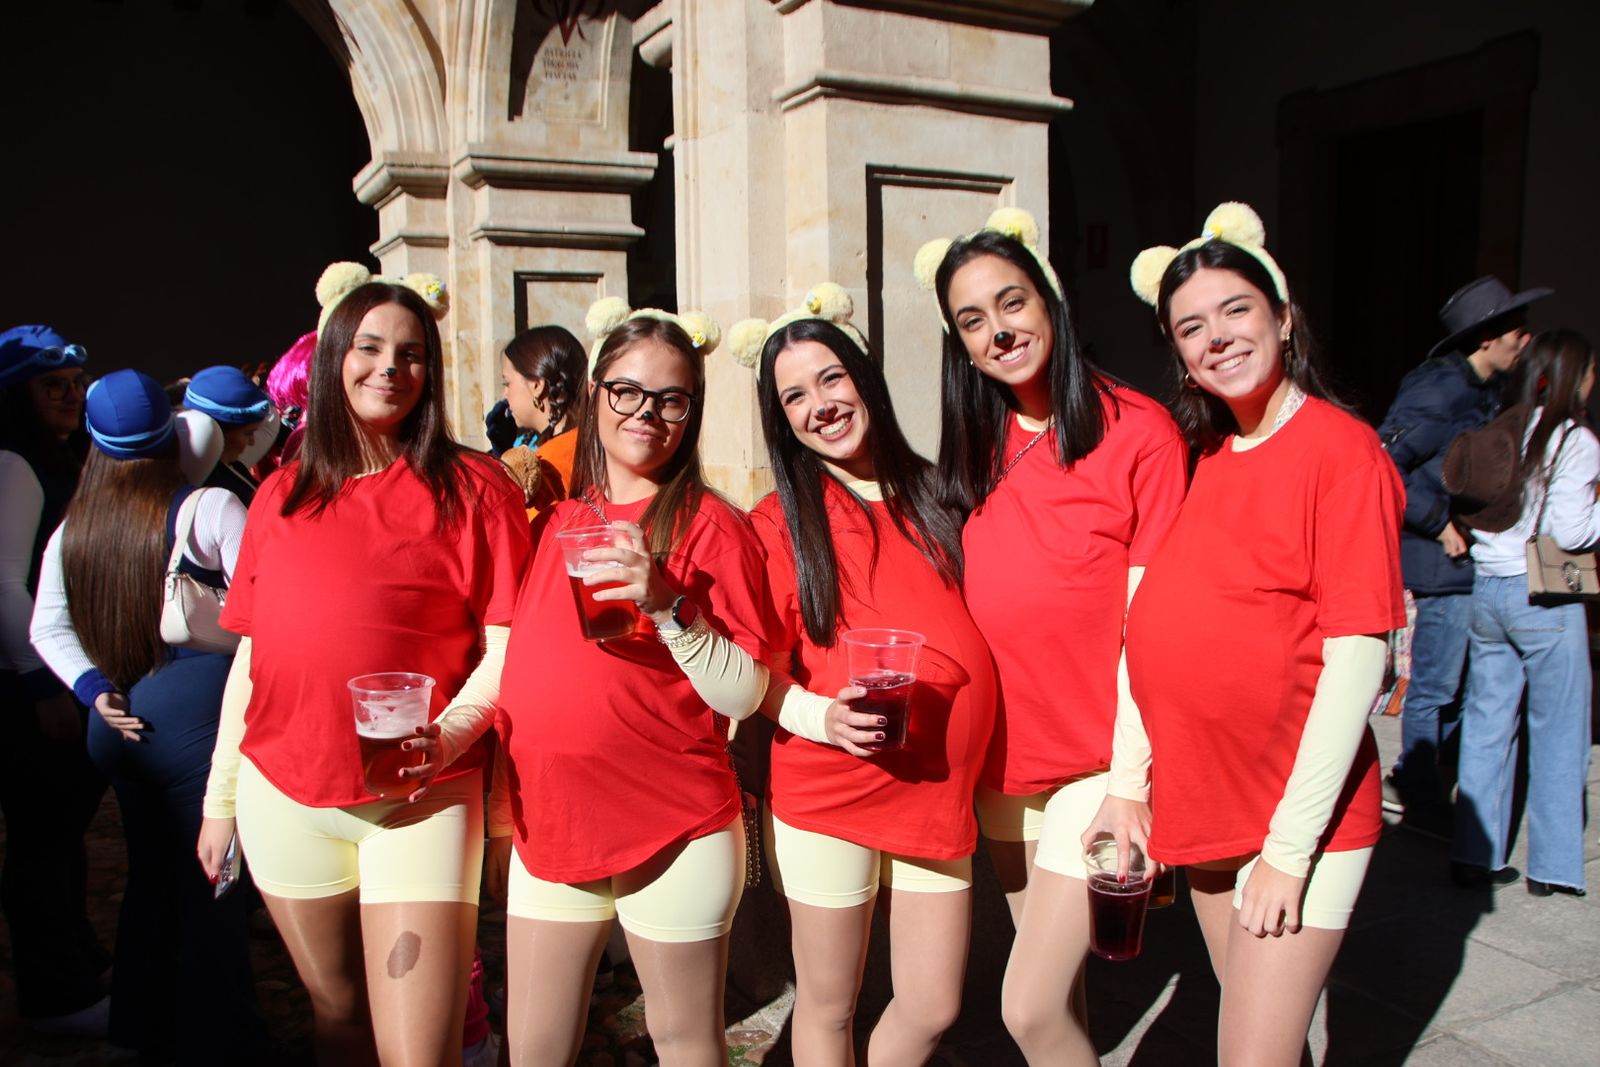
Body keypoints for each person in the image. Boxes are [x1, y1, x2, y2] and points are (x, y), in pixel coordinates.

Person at [196, 270, 531, 1067]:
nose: (390, 367)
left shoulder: (475, 487)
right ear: (334, 357)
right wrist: (221, 799)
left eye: (411, 353)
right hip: (284, 794)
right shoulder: (280, 494)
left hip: (418, 797)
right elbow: (252, 654)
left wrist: (445, 740)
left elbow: (509, 647)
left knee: (419, 1048)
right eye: (371, 346)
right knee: (339, 1018)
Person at [1119, 202, 1404, 1065]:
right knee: (1261, 1037)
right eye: (1190, 327)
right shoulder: (1207, 455)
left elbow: (1360, 657)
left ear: (1283, 316)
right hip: (1206, 806)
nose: (1217, 338)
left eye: (1236, 310)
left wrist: (1289, 851)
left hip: (1294, 820)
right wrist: (1133, 783)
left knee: (1249, 1053)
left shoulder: (1342, 452)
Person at [915, 209, 1187, 1065]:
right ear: (960, 346)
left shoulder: (1138, 430)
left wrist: (1134, 779)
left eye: (1012, 302)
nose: (999, 329)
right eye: (973, 320)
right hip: (1003, 762)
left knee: (1028, 1007)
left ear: (1051, 302)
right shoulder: (973, 442)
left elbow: (1159, 623)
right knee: (1058, 994)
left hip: (1098, 762)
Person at [488, 303, 769, 1067]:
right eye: (627, 391)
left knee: (684, 1042)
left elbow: (743, 695)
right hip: (553, 825)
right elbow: (514, 659)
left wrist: (666, 603)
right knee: (535, 1048)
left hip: (671, 828)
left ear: (692, 411)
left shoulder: (716, 526)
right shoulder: (560, 522)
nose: (646, 413)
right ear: (595, 395)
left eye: (670, 398)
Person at [730, 287, 994, 1065]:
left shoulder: (943, 491)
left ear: (865, 376)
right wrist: (820, 714)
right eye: (795, 396)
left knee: (931, 1000)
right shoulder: (778, 521)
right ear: (782, 420)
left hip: (936, 784)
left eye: (832, 378)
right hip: (828, 789)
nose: (821, 404)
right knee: (829, 1002)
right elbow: (757, 676)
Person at [30, 368, 266, 1062]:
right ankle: (224, 1041)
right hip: (196, 725)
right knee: (213, 890)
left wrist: (92, 688)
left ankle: (139, 1028)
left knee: (150, 882)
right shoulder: (204, 509)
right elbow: (269, 608)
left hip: (118, 725)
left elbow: (47, 625)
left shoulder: (78, 525)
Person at [1376, 276, 1551, 837]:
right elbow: (1384, 465)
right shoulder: (1440, 390)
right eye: (1517, 333)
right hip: (1437, 563)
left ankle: (1422, 778)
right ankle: (1421, 795)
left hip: (1467, 563)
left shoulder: (1482, 391)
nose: (1525, 344)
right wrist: (1435, 522)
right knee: (1436, 685)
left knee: (1458, 685)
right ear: (1486, 339)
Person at [1450, 329, 1596, 897]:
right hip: (1546, 594)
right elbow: (1572, 531)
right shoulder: (1574, 440)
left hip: (1489, 590)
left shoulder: (1506, 427)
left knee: (1488, 725)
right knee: (1560, 730)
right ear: (1571, 376)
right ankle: (1553, 868)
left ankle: (1474, 854)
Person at [0, 325, 111, 1035]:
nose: (71, 397)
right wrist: (42, 682)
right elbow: (5, 584)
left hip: (58, 672)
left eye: (75, 384)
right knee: (42, 840)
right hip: (32, 682)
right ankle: (55, 995)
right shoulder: (13, 461)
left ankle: (77, 962)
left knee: (63, 833)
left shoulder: (55, 456)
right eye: (52, 385)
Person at [494, 324, 590, 513]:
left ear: (537, 385)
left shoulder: (547, 465)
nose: (505, 394)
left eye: (507, 383)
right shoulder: (594, 440)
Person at [182, 364, 277, 504]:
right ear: (215, 432)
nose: (252, 442)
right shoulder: (214, 495)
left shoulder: (233, 468)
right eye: (248, 433)